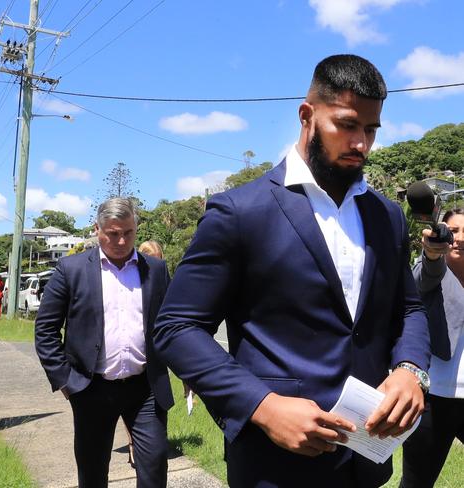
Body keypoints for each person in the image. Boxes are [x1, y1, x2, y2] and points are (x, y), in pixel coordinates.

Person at [152, 54, 430, 487]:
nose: (361, 143)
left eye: (371, 130)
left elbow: (409, 309)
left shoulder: (386, 216)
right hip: (274, 464)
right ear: (307, 115)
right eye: (348, 125)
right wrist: (262, 405)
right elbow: (176, 328)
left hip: (368, 459)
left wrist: (411, 369)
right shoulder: (240, 212)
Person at [35, 198, 174, 488]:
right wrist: (66, 381)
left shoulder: (156, 270)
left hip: (145, 389)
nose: (121, 240)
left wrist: (186, 370)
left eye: (128, 232)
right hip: (91, 389)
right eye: (113, 233)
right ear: (97, 229)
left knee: (154, 470)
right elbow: (46, 330)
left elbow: (171, 325)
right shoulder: (70, 269)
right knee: (93, 473)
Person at [400, 208, 464, 487]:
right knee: (417, 481)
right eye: (455, 230)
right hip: (433, 398)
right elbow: (426, 273)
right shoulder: (430, 269)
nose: (460, 238)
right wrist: (433, 253)